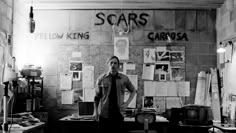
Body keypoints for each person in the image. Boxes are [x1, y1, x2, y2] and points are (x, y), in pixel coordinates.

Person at [93, 55, 136, 133]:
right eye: (111, 63)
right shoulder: (101, 79)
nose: (113, 65)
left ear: (118, 65)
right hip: (104, 115)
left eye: (115, 63)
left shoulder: (124, 78)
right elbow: (97, 97)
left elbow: (133, 91)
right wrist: (95, 112)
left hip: (118, 115)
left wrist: (127, 103)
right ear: (108, 64)